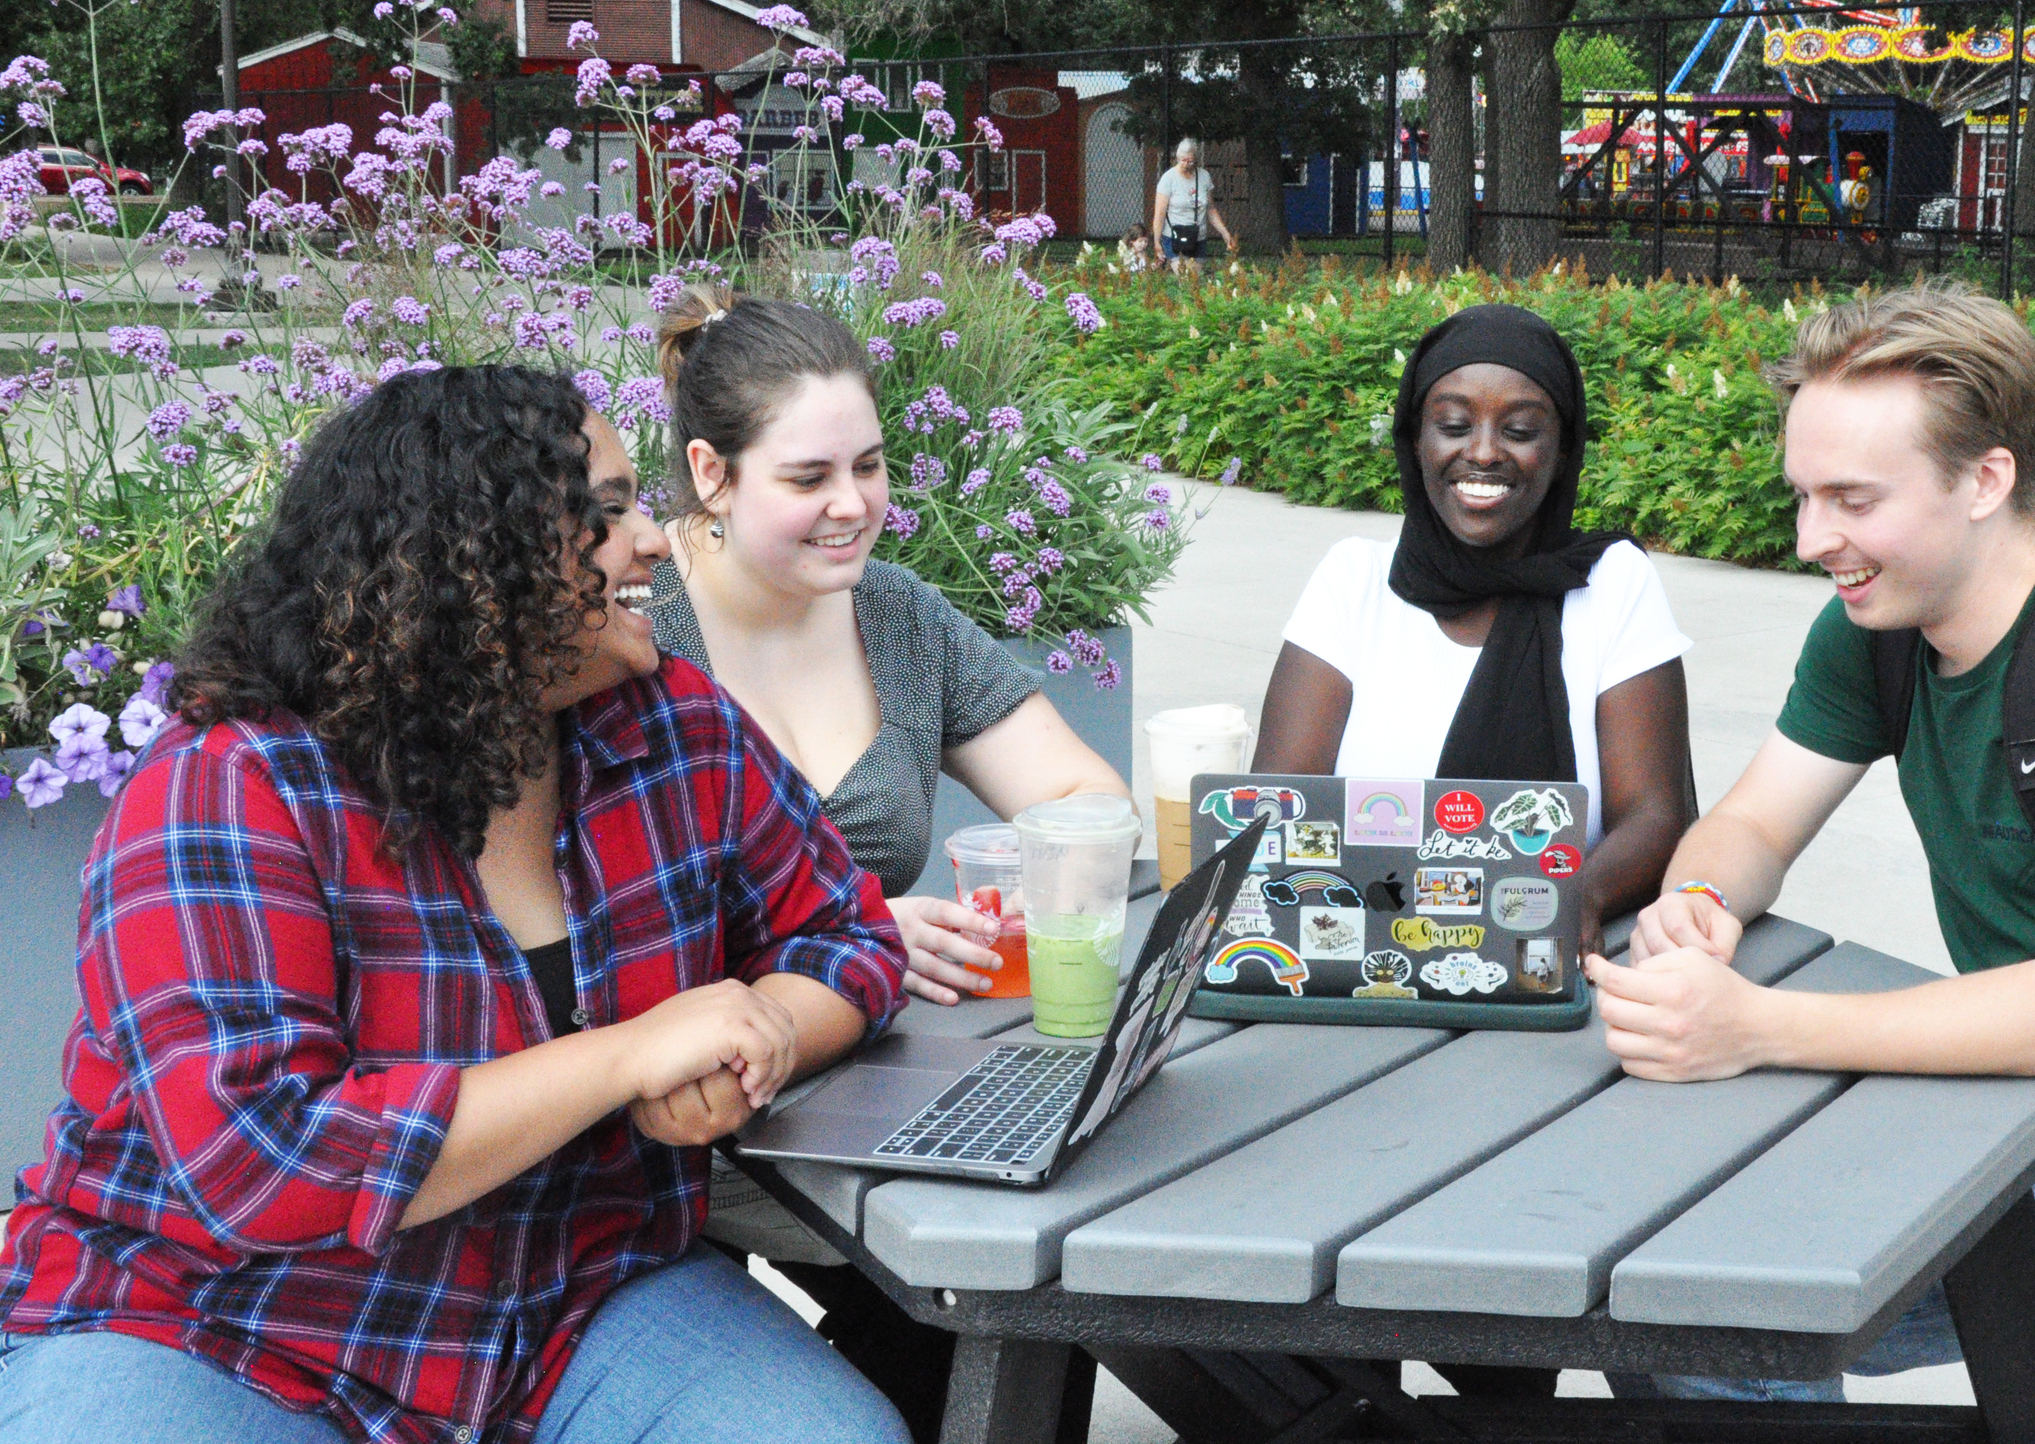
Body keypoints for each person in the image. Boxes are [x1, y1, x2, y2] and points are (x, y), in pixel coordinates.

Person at [0, 365, 911, 1444]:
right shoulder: (231, 785)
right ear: (479, 565)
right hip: (223, 1319)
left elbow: (844, 931)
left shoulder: (673, 726)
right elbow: (261, 1159)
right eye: (610, 511)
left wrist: (756, 1037)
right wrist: (629, 1055)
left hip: (574, 1294)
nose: (658, 541)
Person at [1593, 283, 2035, 1402]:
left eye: (1850, 498)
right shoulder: (1874, 622)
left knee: (1713, 1295)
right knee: (1651, 1206)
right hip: (2015, 1104)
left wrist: (1759, 1025)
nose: (1810, 539)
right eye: (1802, 495)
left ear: (1984, 480)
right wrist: (1700, 898)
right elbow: (1751, 821)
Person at [646, 288, 1132, 1440]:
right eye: (809, 479)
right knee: (1003, 1280)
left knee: (1031, 1254)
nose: (853, 506)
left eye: (869, 465)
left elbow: (1086, 800)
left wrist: (997, 894)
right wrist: (853, 931)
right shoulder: (637, 629)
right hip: (703, 1113)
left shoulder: (893, 614)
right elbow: (605, 926)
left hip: (871, 1083)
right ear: (711, 474)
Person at [1254, 302, 1699, 1400]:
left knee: (1507, 1300)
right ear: (1415, 436)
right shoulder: (1354, 581)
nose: (1484, 454)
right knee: (1294, 1292)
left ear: (1563, 447)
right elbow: (1282, 802)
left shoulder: (1613, 586)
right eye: (1453, 422)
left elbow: (1657, 812)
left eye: (1521, 427)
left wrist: (1565, 890)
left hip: (1542, 1000)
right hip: (1349, 996)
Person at [1152, 137, 1235, 268]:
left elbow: (1210, 209)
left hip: (1197, 237)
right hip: (1174, 237)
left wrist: (1225, 233)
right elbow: (1159, 214)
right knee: (1185, 277)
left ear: (1195, 159)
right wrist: (1157, 241)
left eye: (1190, 161)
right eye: (1183, 160)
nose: (1186, 164)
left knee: (1195, 280)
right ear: (1178, 158)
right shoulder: (1168, 179)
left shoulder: (1204, 176)